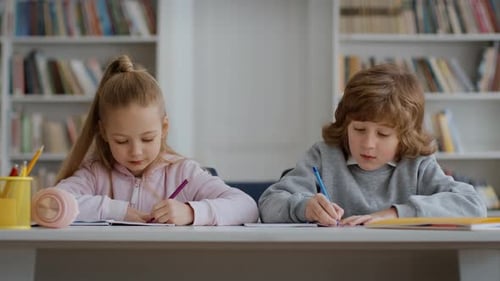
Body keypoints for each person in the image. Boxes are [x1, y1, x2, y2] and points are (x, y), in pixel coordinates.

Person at [258, 63, 486, 226]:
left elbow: (473, 204)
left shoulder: (417, 164)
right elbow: (268, 204)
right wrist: (305, 207)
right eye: (358, 129)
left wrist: (396, 215)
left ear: (404, 135)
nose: (368, 144)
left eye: (383, 134)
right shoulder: (324, 155)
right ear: (345, 123)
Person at [53, 55, 258, 225]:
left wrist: (191, 213)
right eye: (122, 141)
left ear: (164, 128)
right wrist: (117, 211)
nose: (136, 152)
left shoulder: (183, 172)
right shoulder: (95, 174)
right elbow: (52, 203)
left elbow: (247, 206)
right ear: (104, 133)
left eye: (148, 139)